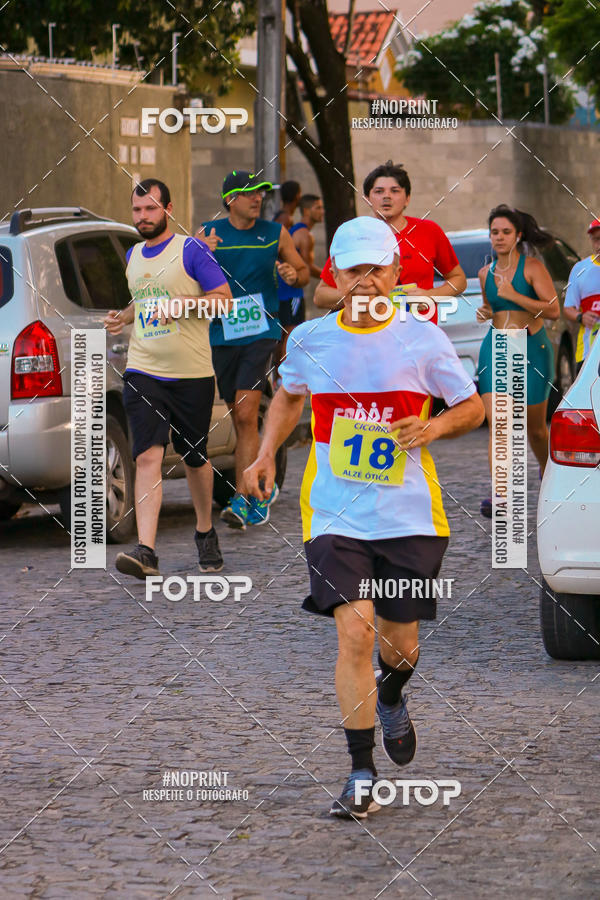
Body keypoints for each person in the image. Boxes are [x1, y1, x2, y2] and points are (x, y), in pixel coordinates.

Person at [244, 216, 484, 819]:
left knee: (399, 647)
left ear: (397, 272)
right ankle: (360, 771)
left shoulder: (422, 340)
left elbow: (473, 407)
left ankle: (394, 692)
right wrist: (266, 451)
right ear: (336, 276)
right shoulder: (309, 339)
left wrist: (429, 426)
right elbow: (290, 395)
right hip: (333, 513)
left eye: (377, 268)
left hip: (409, 516)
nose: (367, 281)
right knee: (354, 631)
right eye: (354, 271)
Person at [103, 178, 233, 578]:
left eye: (151, 209)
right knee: (147, 455)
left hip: (192, 373)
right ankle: (146, 552)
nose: (143, 217)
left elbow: (224, 300)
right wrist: (123, 316)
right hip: (144, 370)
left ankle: (205, 531)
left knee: (195, 457)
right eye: (137, 210)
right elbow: (142, 299)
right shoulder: (132, 256)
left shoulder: (190, 250)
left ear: (168, 209)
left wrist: (183, 303)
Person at [202, 170, 309, 530]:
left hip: (261, 331)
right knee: (238, 417)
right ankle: (261, 482)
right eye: (249, 194)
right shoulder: (209, 233)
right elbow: (183, 276)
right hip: (222, 334)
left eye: (261, 193)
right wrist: (201, 254)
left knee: (247, 414)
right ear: (230, 199)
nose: (258, 198)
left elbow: (302, 270)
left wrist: (294, 275)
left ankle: (245, 498)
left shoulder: (274, 233)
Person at [476, 205, 559, 518]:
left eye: (505, 232)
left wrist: (514, 294)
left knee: (536, 430)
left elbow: (552, 310)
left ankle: (549, 474)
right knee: (499, 422)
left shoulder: (532, 267)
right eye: (494, 232)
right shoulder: (485, 273)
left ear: (518, 235)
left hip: (532, 349)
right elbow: (491, 307)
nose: (498, 237)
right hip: (496, 348)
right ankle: (501, 495)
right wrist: (486, 311)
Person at [314, 160, 466, 324]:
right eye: (379, 191)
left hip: (419, 333)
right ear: (367, 199)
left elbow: (459, 279)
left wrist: (430, 296)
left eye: (395, 191)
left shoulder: (429, 231)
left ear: (407, 198)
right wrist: (359, 294)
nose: (387, 196)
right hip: (368, 334)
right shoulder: (354, 235)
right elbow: (320, 296)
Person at [275, 194, 325, 378]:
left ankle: (278, 378)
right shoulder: (305, 235)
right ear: (306, 210)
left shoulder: (294, 230)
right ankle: (284, 378)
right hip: (291, 291)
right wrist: (332, 278)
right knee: (292, 333)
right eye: (318, 208)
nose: (322, 212)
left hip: (282, 291)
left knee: (283, 336)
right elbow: (306, 267)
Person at [563, 218, 600, 373]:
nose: (599, 245)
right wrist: (581, 317)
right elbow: (568, 308)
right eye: (596, 240)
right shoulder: (580, 269)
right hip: (588, 353)